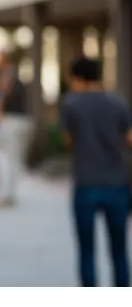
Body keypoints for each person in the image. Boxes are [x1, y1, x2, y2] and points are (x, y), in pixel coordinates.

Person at [60, 57, 131, 287]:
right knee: (119, 251)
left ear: (79, 79)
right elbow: (130, 138)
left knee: (87, 250)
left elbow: (66, 140)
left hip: (86, 182)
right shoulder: (118, 102)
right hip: (117, 183)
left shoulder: (71, 105)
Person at [0, 50, 31, 208]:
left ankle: (7, 194)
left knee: (6, 159)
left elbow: (1, 95)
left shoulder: (7, 74)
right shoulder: (12, 74)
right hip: (17, 119)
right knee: (12, 159)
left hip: (12, 120)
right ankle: (9, 193)